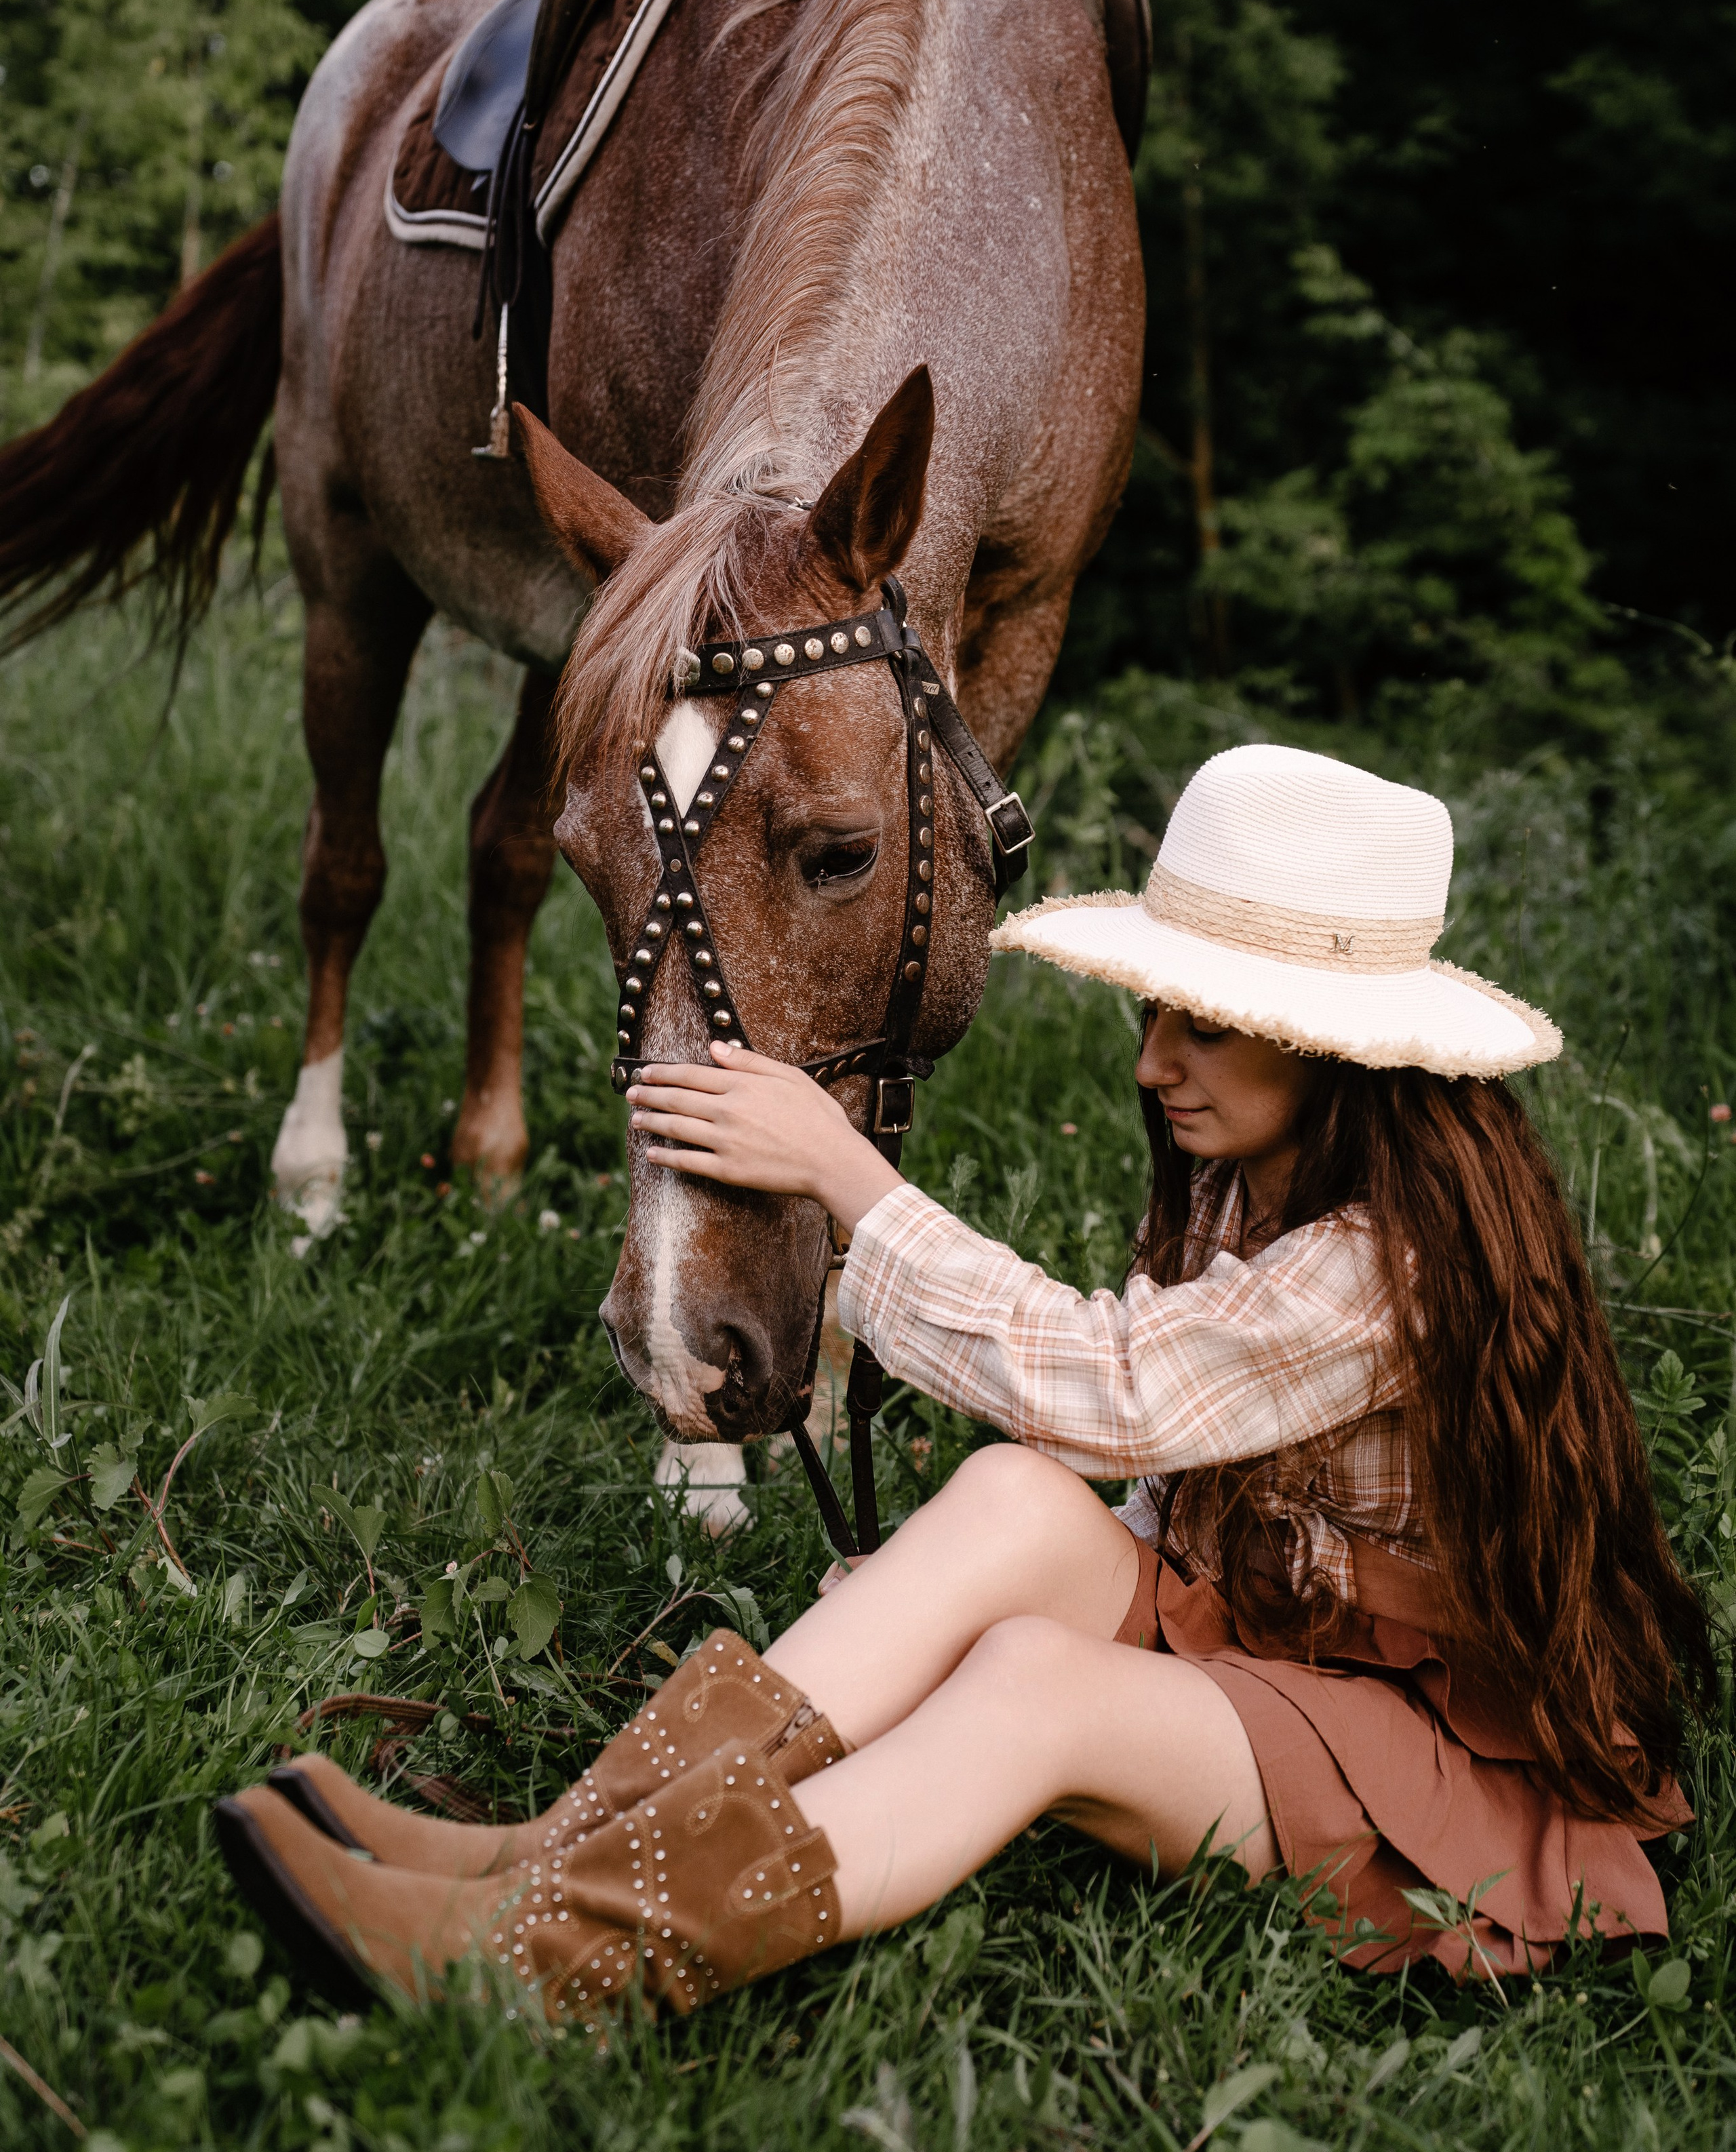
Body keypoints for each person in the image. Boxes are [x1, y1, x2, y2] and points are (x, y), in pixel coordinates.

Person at [216, 743, 1712, 2025]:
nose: (1149, 1063)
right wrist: (942, 1592)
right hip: (1272, 1648)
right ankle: (543, 1852)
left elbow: (1115, 1389)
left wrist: (848, 1182)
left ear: (1335, 1053)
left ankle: (550, 1958)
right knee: (1011, 1500)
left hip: (1419, 1763)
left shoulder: (1391, 1261)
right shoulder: (1253, 1178)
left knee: (1035, 1686)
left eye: (1203, 1021)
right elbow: (1151, 1477)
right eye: (1153, 1011)